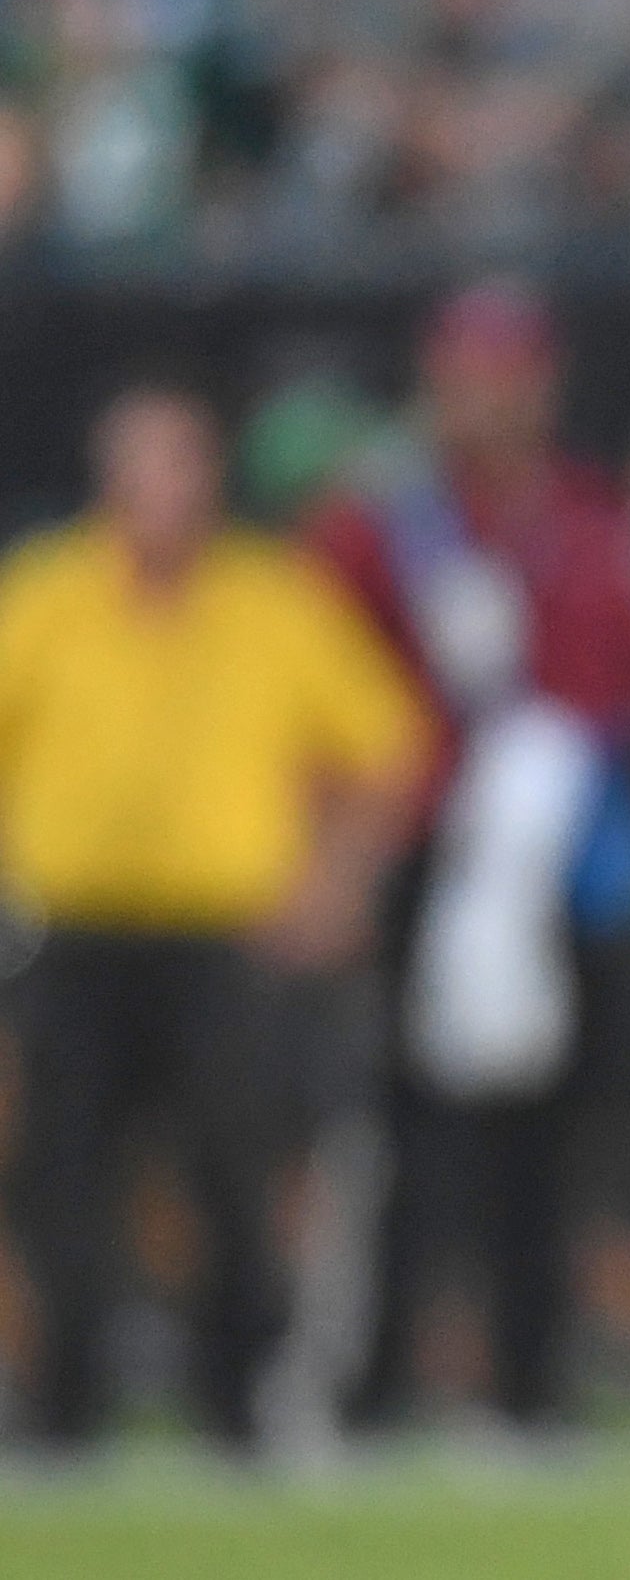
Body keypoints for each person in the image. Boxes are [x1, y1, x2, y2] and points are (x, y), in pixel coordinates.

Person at [0, 384, 425, 1453]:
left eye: (178, 464)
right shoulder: (47, 596)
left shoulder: (272, 600)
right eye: (139, 466)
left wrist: (334, 881)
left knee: (231, 1169)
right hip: (74, 930)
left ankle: (234, 1401)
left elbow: (387, 747)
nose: (159, 492)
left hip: (222, 936)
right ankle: (62, 1409)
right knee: (61, 1172)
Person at [311, 279, 630, 1430]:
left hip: (553, 855)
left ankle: (532, 1378)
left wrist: (560, 753)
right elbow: (322, 686)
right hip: (427, 848)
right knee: (402, 1126)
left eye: (512, 373)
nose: (493, 396)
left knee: (550, 1130)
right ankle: (376, 1380)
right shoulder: (385, 520)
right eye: (472, 373)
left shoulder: (586, 515)